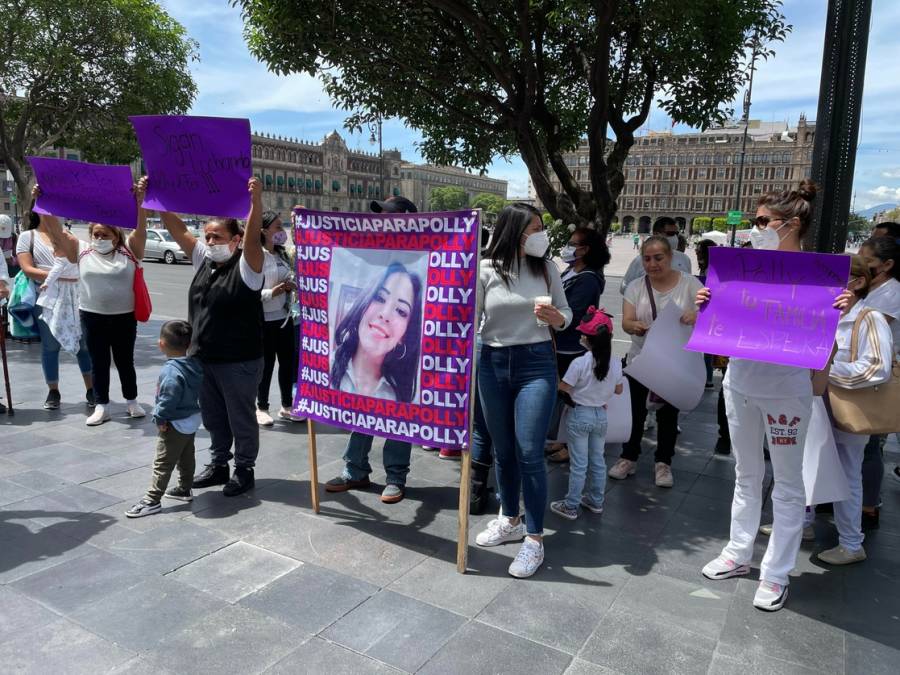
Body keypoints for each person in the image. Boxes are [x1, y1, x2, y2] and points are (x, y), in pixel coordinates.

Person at [700, 181, 847, 612]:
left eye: (763, 222)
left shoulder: (821, 281)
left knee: (786, 483)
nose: (755, 228)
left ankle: (776, 572)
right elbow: (716, 330)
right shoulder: (742, 269)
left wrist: (836, 313)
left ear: (792, 225)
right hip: (740, 383)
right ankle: (737, 551)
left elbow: (829, 349)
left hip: (787, 393)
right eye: (755, 221)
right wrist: (709, 304)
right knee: (745, 474)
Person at [474, 202, 572, 578]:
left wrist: (558, 318)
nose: (541, 234)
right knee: (503, 450)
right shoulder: (485, 269)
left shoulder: (546, 269)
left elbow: (566, 313)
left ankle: (534, 538)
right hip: (493, 363)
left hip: (536, 365)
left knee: (530, 450)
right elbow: (471, 316)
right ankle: (510, 518)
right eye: (535, 227)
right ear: (514, 230)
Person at [154, 176, 265, 498]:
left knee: (240, 418)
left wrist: (255, 201)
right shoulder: (204, 260)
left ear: (236, 239)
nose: (211, 241)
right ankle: (219, 464)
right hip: (203, 358)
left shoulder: (248, 266)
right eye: (208, 236)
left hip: (240, 360)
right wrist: (159, 200)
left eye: (218, 236)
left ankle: (244, 469)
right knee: (215, 418)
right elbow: (179, 232)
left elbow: (255, 238)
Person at [325, 195, 419, 504]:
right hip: (364, 352)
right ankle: (355, 470)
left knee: (397, 409)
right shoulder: (372, 249)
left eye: (389, 216)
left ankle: (395, 476)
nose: (381, 221)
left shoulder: (420, 253)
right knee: (360, 405)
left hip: (399, 355)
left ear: (407, 220)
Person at [39, 183, 149, 425]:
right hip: (92, 316)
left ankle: (131, 401)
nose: (99, 238)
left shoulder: (130, 250)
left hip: (124, 317)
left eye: (105, 235)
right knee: (98, 361)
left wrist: (140, 202)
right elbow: (56, 232)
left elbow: (141, 228)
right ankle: (102, 406)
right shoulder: (82, 250)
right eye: (95, 234)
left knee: (124, 361)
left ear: (116, 236)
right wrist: (44, 203)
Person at [812, 255, 894, 565]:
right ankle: (804, 524)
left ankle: (850, 542)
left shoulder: (869, 318)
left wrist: (824, 369)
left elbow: (876, 368)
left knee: (847, 472)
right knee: (810, 463)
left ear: (857, 283)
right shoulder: (825, 313)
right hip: (817, 404)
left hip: (847, 409)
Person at [609, 235, 701, 487]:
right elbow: (626, 321)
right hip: (642, 360)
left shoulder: (690, 284)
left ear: (671, 257)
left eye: (658, 258)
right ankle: (628, 457)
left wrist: (696, 316)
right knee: (634, 412)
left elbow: (709, 314)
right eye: (647, 259)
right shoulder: (636, 286)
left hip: (676, 361)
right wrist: (634, 326)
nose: (652, 264)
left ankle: (664, 463)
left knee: (668, 415)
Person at [550, 307, 623, 520]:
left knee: (579, 464)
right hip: (601, 416)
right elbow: (618, 390)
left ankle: (571, 505)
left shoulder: (579, 363)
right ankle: (596, 501)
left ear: (587, 339)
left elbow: (563, 388)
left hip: (579, 415)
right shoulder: (616, 362)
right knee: (598, 461)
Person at [16, 210, 93, 410]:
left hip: (75, 297)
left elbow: (81, 261)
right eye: (47, 208)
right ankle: (53, 390)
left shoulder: (69, 236)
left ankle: (92, 389)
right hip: (47, 299)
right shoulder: (27, 236)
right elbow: (27, 268)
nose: (53, 213)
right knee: (50, 346)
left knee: (83, 344)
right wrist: (59, 275)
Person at [126, 321, 203, 517]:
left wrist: (160, 418)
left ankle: (152, 500)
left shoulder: (171, 371)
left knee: (163, 461)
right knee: (186, 456)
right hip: (191, 419)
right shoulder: (193, 364)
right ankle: (185, 488)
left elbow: (168, 398)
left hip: (174, 423)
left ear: (161, 344)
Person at [546, 227, 609, 463]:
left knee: (570, 397)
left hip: (570, 345)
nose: (568, 247)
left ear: (585, 250)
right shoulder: (572, 271)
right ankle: (561, 439)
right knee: (564, 396)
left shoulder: (589, 279)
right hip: (560, 343)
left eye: (573, 243)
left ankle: (572, 445)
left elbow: (573, 312)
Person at [330, 261, 422, 402]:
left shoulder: (402, 399)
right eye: (379, 298)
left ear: (404, 335)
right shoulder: (324, 367)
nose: (385, 314)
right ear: (363, 306)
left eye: (401, 311)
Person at [856, 234, 899, 528]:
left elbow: (870, 327)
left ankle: (868, 505)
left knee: (870, 444)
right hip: (861, 374)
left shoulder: (892, 293)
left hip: (876, 378)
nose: (862, 264)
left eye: (867, 260)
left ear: (887, 265)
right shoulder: (872, 289)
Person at [256, 210, 300, 426]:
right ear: (264, 231)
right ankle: (261, 406)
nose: (282, 231)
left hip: (284, 318)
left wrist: (290, 287)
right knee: (266, 365)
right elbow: (249, 291)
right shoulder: (255, 257)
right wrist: (272, 292)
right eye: (277, 227)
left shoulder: (282, 255)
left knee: (287, 363)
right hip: (264, 320)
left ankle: (286, 405)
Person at [619, 217, 692, 294]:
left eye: (676, 234)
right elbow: (624, 288)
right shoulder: (640, 260)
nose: (675, 237)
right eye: (670, 233)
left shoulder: (684, 259)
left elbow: (689, 287)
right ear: (656, 234)